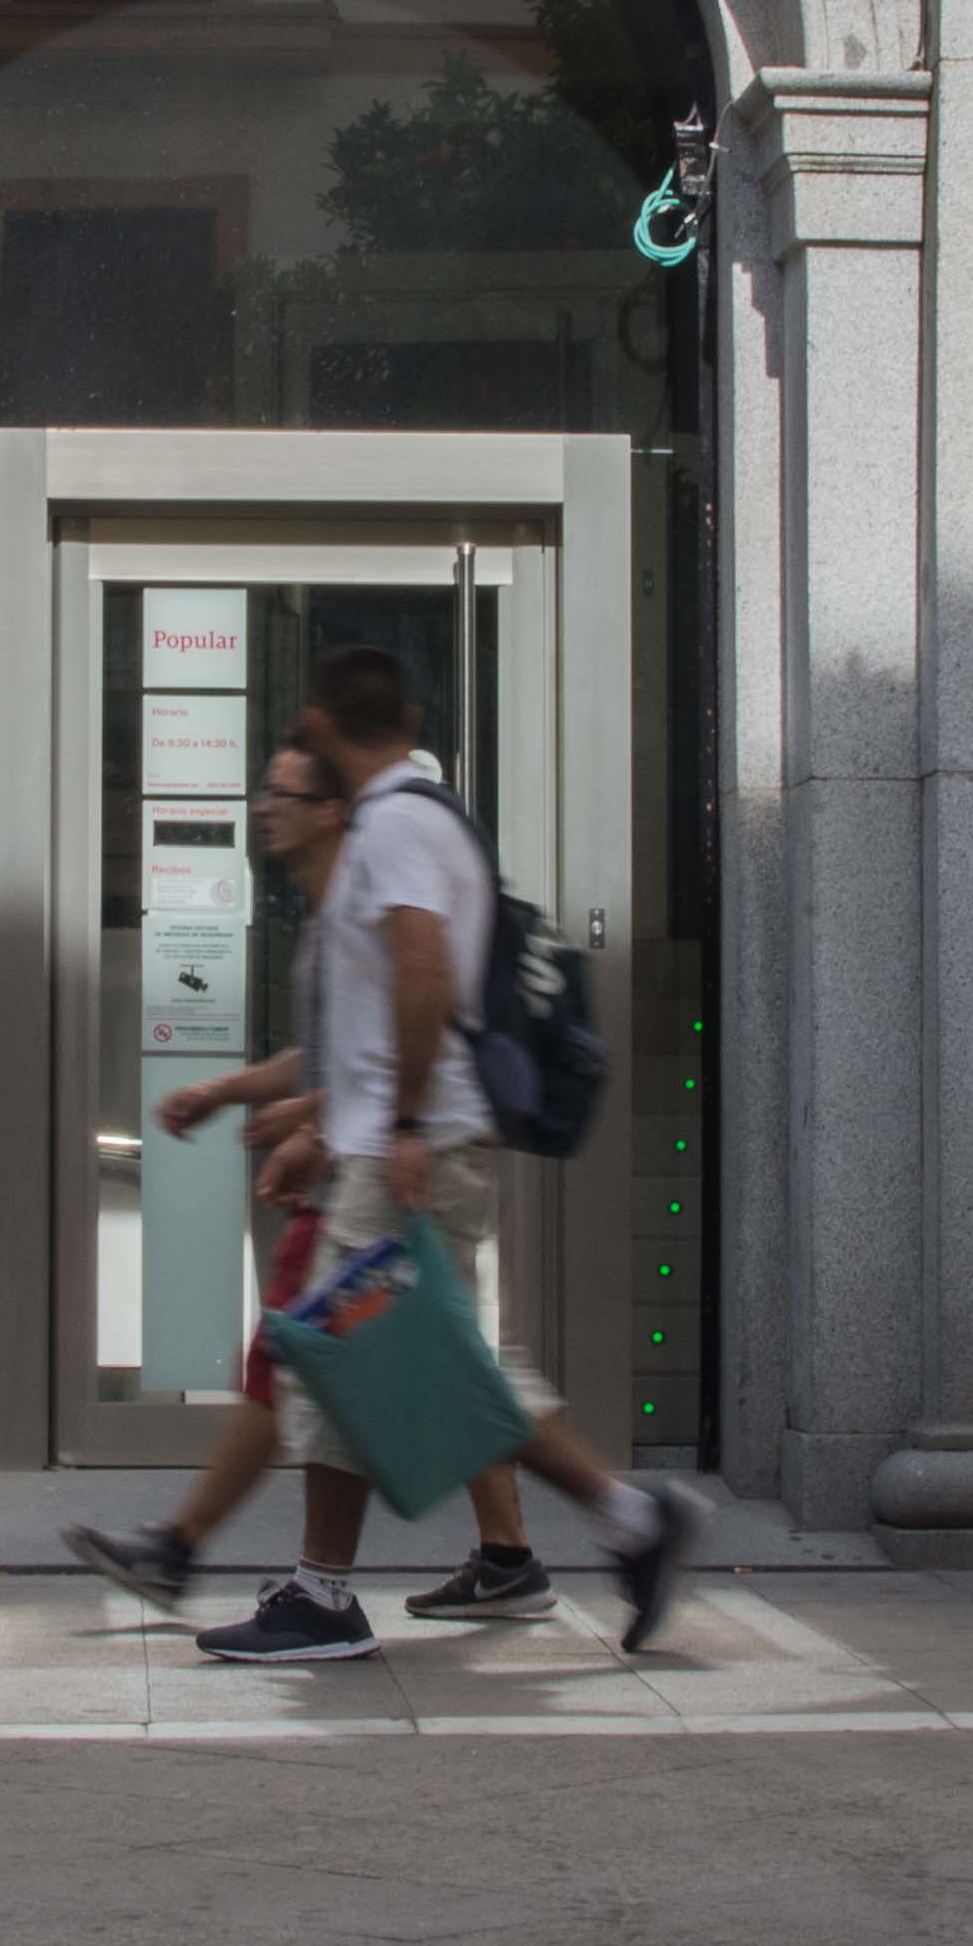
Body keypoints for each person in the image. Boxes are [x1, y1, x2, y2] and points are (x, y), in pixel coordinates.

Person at [206, 645, 701, 1665]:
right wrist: (331, 1132)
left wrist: (398, 1127)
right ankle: (622, 1522)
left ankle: (324, 1594)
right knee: (410, 1360)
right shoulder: (428, 819)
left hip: (415, 1151)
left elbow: (421, 978)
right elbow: (383, 1009)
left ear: (329, 726)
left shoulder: (392, 826)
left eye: (306, 739)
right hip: (411, 1142)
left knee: (352, 1355)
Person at [63, 738, 555, 1621]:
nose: (263, 807)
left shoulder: (374, 907)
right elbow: (339, 1059)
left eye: (281, 791)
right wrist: (237, 1095)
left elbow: (394, 1053)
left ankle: (236, 1565)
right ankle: (514, 1552)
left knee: (307, 1359)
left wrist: (313, 1132)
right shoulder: (341, 908)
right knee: (438, 1365)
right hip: (365, 1168)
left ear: (334, 807)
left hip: (372, 1179)